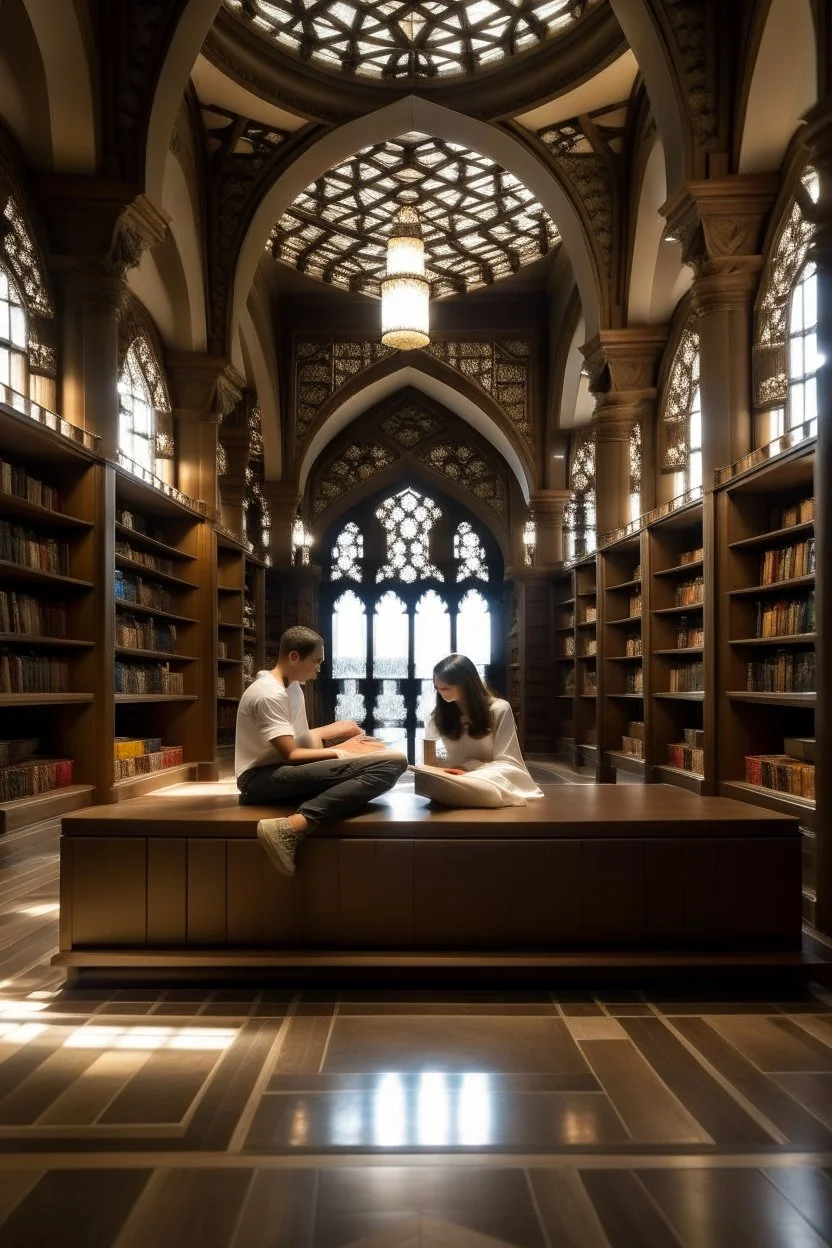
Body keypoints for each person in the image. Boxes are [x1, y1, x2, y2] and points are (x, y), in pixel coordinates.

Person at [236, 625, 407, 875]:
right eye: (316, 662)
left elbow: (302, 743)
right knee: (392, 764)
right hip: (259, 780)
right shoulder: (268, 694)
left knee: (388, 762)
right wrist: (342, 754)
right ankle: (294, 826)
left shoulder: (291, 687)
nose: (318, 669)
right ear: (294, 657)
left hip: (282, 772)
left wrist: (340, 740)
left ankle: (298, 821)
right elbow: (291, 754)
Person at [413, 653, 543, 808]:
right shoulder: (437, 716)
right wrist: (438, 771)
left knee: (488, 784)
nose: (440, 693)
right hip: (454, 776)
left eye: (446, 688)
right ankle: (467, 793)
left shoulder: (499, 709)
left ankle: (465, 793)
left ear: (466, 684)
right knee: (427, 782)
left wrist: (469, 768)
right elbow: (430, 761)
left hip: (489, 773)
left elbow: (507, 760)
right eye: (437, 689)